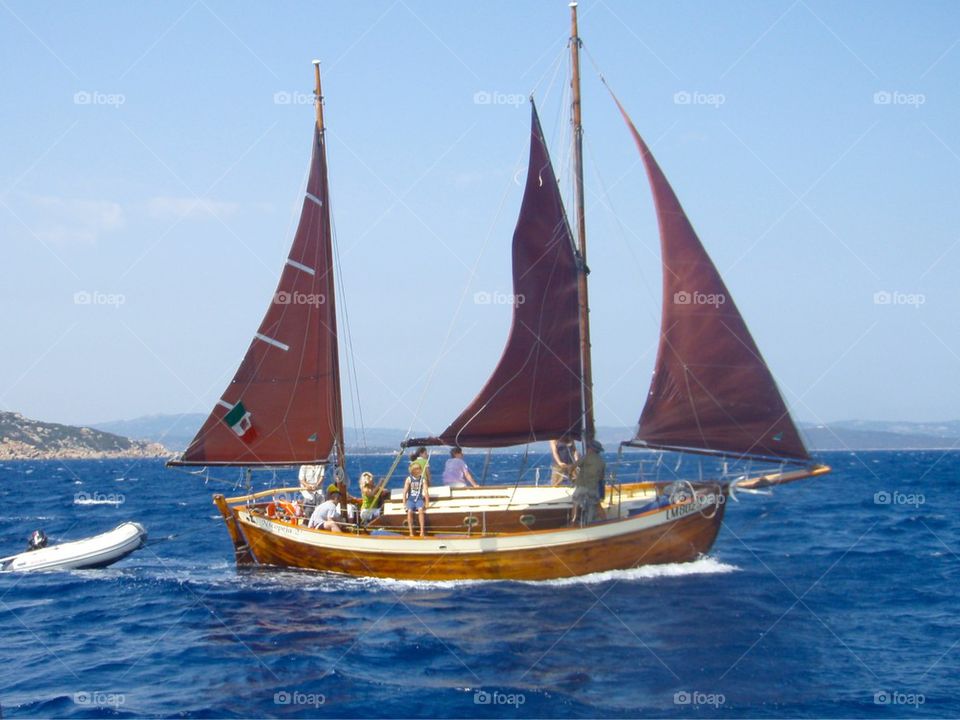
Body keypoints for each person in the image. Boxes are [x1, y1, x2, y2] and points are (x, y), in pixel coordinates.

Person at [571, 440, 605, 525]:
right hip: (593, 488)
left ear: (591, 449)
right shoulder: (601, 462)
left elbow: (573, 466)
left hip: (582, 486)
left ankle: (573, 522)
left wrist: (570, 474)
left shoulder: (586, 457)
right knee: (595, 505)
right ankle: (605, 522)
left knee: (575, 502)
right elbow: (601, 477)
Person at [403, 461, 429, 537]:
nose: (419, 470)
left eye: (419, 469)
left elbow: (426, 491)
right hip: (411, 500)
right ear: (413, 471)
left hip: (419, 500)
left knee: (420, 510)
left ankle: (422, 531)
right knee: (409, 511)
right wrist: (404, 503)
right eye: (417, 469)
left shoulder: (422, 480)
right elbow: (404, 492)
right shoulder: (409, 479)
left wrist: (427, 502)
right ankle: (411, 532)